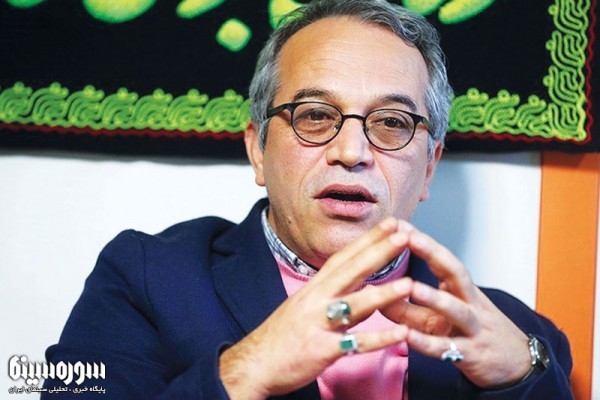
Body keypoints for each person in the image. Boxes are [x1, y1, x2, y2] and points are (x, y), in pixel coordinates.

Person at [43, 0, 573, 398]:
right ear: (258, 148)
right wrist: (246, 370)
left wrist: (523, 371)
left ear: (429, 167)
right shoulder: (145, 279)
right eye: (316, 115)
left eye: (391, 122)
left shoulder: (520, 338)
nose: (352, 152)